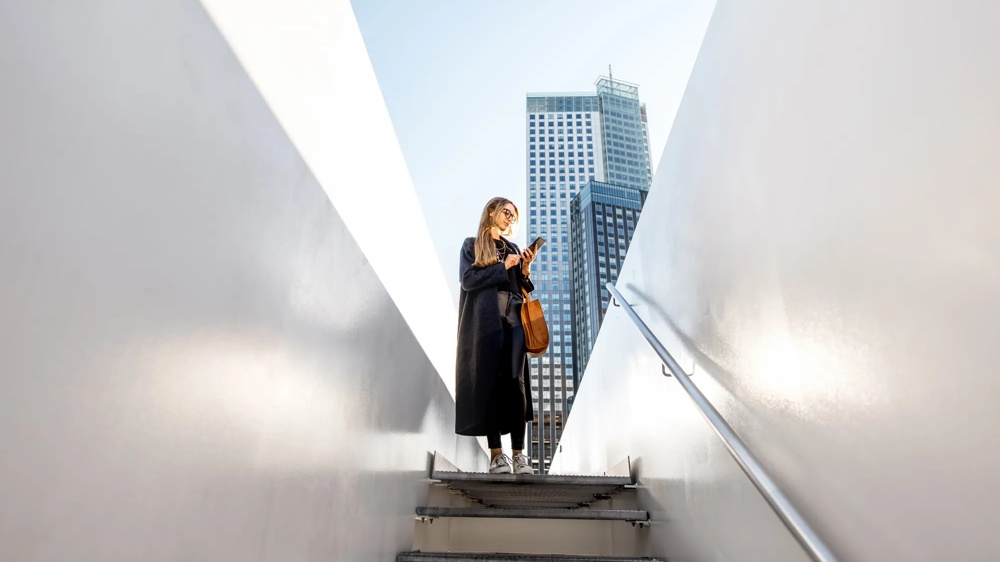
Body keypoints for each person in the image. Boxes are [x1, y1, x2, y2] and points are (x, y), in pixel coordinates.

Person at [455, 197, 537, 474]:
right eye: (506, 212)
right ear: (491, 211)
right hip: (487, 318)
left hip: (515, 314)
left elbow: (523, 286)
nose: (510, 218)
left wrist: (525, 267)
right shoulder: (472, 244)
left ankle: (519, 455)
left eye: (513, 215)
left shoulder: (512, 248)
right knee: (491, 380)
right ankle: (497, 456)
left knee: (516, 380)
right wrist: (502, 267)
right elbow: (468, 280)